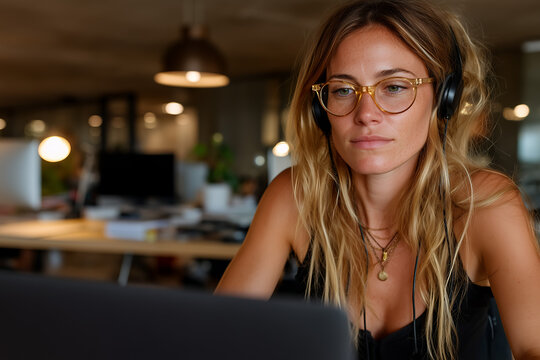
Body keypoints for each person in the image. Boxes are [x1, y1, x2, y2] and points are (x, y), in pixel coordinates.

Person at [215, 0, 540, 359]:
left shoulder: (486, 205)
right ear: (321, 111)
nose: (366, 114)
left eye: (395, 87)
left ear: (443, 100)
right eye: (343, 90)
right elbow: (215, 336)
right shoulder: (296, 195)